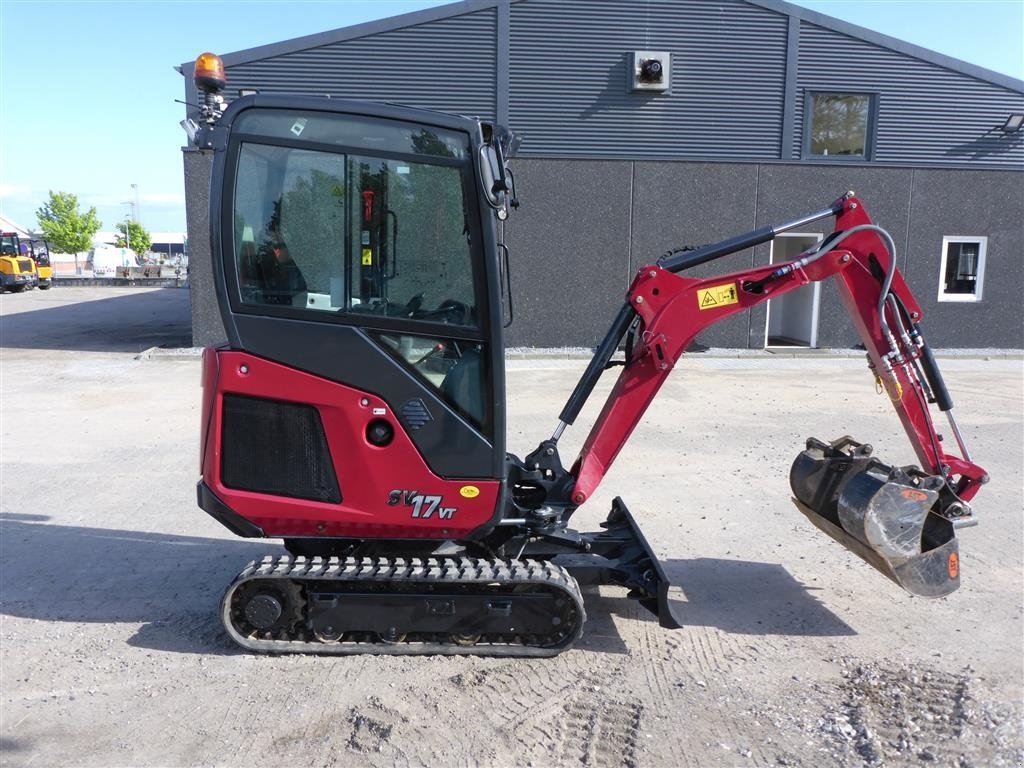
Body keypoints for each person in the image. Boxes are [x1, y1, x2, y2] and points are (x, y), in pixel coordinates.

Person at [257, 235, 307, 306]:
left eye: (280, 246)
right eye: (273, 247)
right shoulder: (262, 265)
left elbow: (300, 297)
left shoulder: (295, 270)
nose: (276, 251)